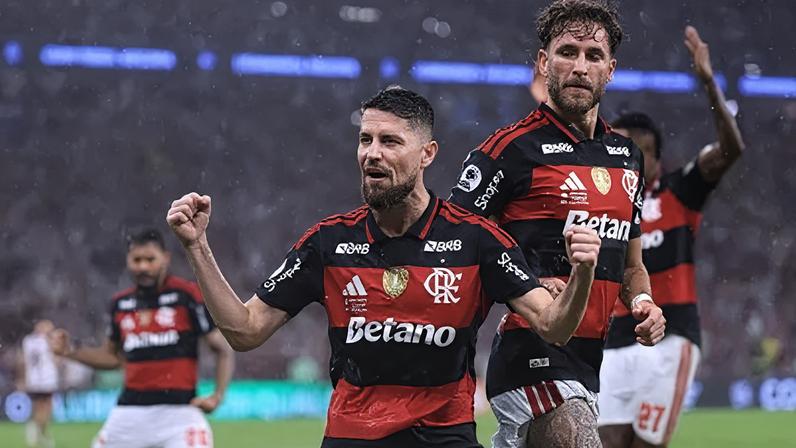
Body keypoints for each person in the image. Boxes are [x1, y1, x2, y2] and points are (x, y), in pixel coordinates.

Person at [166, 86, 602, 448]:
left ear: (427, 153)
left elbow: (554, 327)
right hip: (351, 436)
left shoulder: (477, 239)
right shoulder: (327, 242)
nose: (372, 153)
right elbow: (245, 331)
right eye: (365, 140)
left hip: (444, 436)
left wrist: (582, 273)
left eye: (390, 142)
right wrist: (197, 247)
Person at [448, 1, 666, 446]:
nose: (580, 67)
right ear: (544, 63)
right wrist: (524, 284)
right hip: (531, 350)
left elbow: (629, 264)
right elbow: (448, 244)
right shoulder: (509, 150)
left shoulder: (628, 159)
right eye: (567, 52)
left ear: (611, 70)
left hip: (589, 362)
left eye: (593, 56)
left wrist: (644, 302)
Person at [598, 25, 746, 448]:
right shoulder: (605, 202)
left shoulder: (680, 189)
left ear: (655, 159)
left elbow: (732, 149)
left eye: (630, 149)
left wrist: (708, 83)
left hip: (670, 337)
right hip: (614, 343)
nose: (619, 156)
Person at [49, 228, 234, 448]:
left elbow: (222, 349)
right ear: (128, 261)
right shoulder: (120, 304)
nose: (143, 266)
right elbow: (113, 358)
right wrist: (71, 350)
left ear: (165, 258)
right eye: (137, 260)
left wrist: (218, 395)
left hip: (180, 413)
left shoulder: (187, 296)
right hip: (129, 414)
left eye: (150, 259)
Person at [17, 319, 60, 448]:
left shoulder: (28, 341)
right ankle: (40, 432)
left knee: (37, 408)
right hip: (47, 379)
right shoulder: (47, 341)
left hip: (33, 380)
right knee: (47, 408)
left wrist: (22, 379)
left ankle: (36, 430)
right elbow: (56, 359)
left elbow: (22, 361)